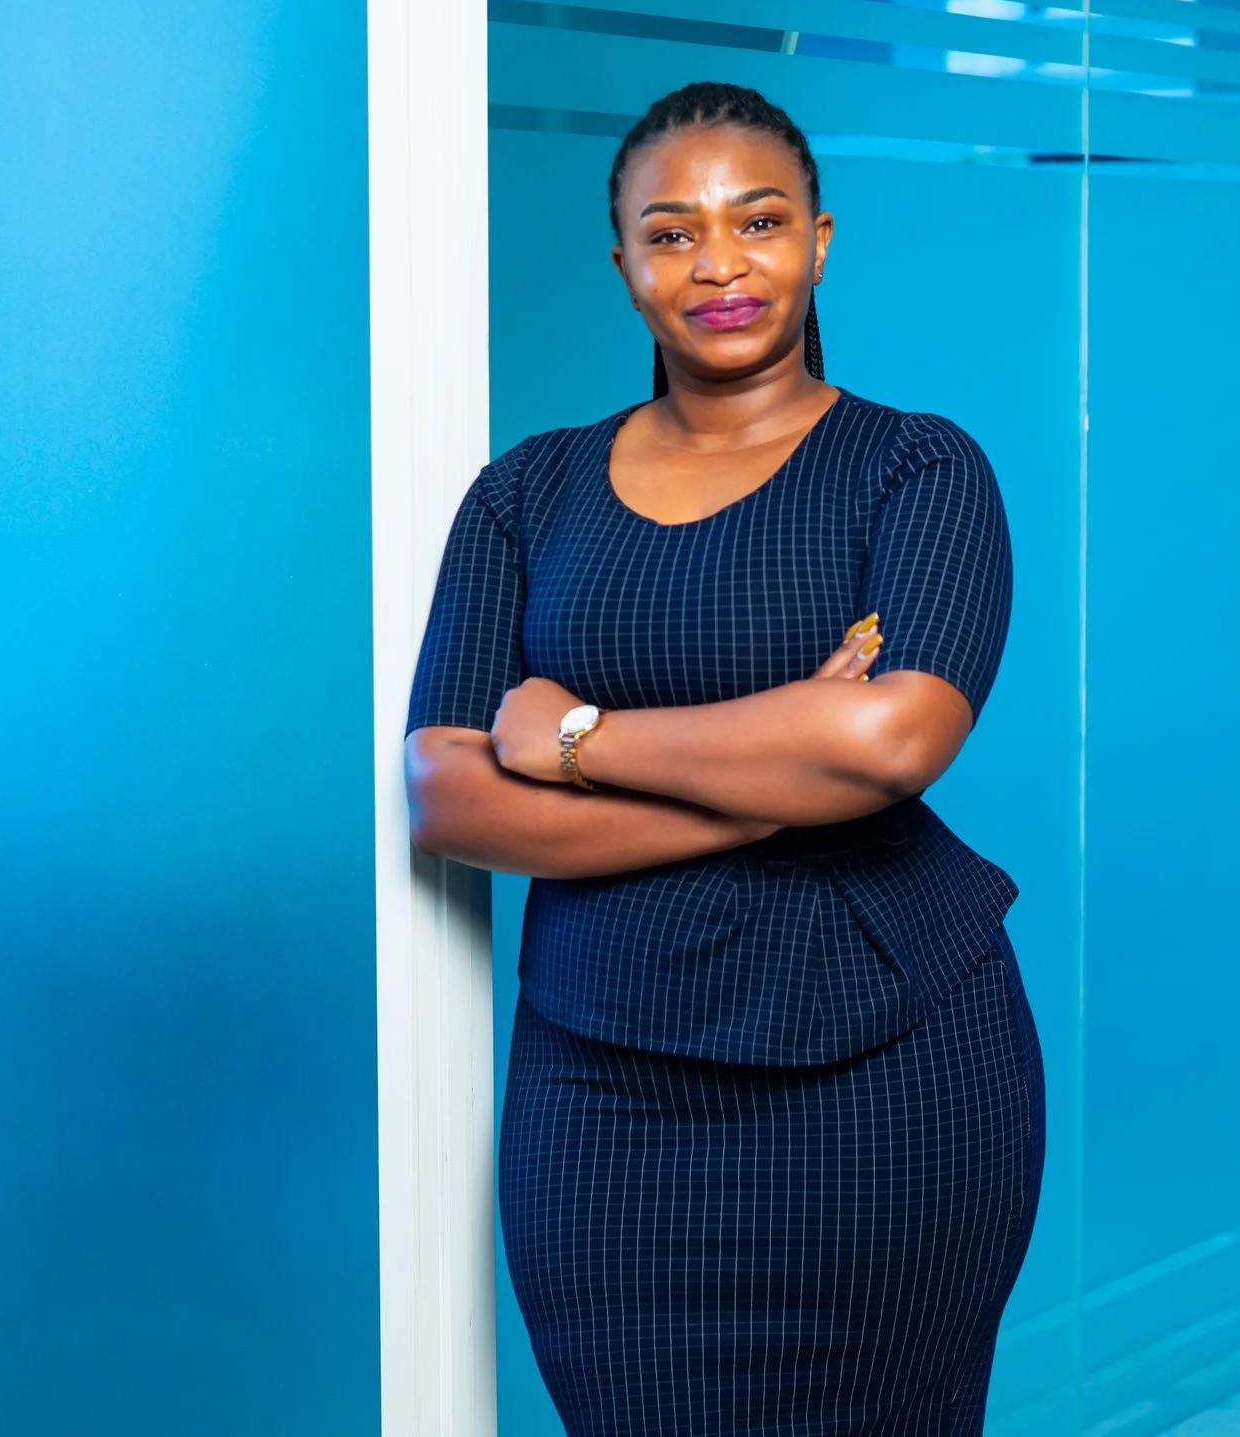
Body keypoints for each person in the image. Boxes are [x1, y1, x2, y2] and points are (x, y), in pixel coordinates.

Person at [405, 80, 1043, 1435]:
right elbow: (450, 794)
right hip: (603, 1084)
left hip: (899, 1071)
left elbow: (888, 740)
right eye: (672, 232)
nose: (720, 266)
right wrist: (769, 787)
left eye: (756, 223)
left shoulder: (917, 470)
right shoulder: (528, 492)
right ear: (627, 265)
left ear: (818, 240)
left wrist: (577, 739)